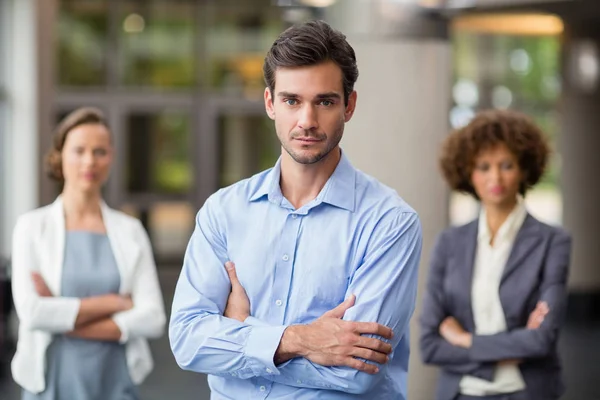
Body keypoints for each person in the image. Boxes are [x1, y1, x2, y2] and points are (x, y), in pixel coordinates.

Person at [169, 20, 422, 399]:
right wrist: (299, 339)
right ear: (270, 103)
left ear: (349, 106)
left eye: (325, 101)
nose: (307, 121)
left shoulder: (390, 223)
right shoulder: (224, 211)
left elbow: (358, 373)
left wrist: (242, 330)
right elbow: (188, 341)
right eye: (292, 101)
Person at [11, 107, 166, 400]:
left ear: (111, 157)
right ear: (59, 156)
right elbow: (32, 313)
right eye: (79, 150)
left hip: (115, 383)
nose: (89, 161)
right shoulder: (32, 227)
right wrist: (114, 302)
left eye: (100, 151)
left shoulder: (130, 230)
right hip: (50, 384)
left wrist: (63, 318)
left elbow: (153, 318)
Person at [419, 109, 572, 400]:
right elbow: (429, 345)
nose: (495, 177)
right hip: (460, 393)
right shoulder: (449, 242)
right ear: (468, 172)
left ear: (524, 169)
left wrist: (464, 340)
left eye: (506, 164)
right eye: (483, 166)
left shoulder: (554, 241)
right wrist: (510, 349)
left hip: (527, 392)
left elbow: (542, 340)